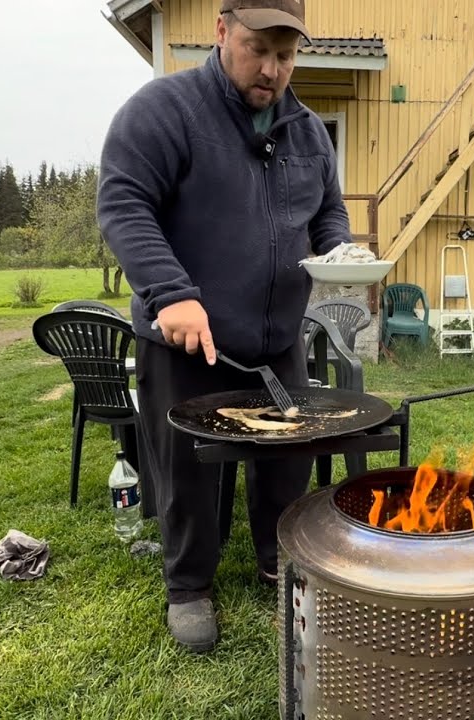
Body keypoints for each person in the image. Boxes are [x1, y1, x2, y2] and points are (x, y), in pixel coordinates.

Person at [96, 0, 352, 653]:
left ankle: (279, 559)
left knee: (288, 460)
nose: (272, 69)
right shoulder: (164, 111)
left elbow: (327, 212)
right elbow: (123, 203)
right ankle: (189, 587)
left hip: (276, 339)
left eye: (286, 55)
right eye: (257, 48)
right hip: (187, 340)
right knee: (188, 473)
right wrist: (170, 293)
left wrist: (338, 252)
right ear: (221, 31)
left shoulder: (307, 132)